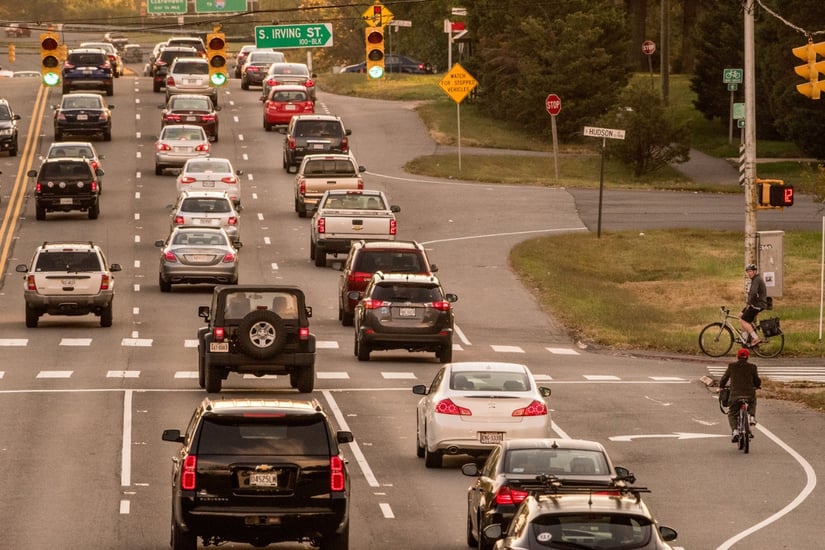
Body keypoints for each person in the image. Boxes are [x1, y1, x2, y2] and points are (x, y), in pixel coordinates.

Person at [719, 348, 761, 442]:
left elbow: (724, 378)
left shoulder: (732, 366)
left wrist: (721, 386)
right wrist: (757, 386)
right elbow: (757, 380)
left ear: (737, 356)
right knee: (753, 400)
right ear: (747, 357)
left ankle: (735, 431)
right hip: (749, 394)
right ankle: (752, 417)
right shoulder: (752, 367)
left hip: (735, 395)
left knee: (732, 413)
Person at [739, 263, 767, 346]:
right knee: (740, 315)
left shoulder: (756, 279)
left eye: (750, 271)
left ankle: (755, 338)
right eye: (747, 271)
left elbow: (753, 293)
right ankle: (745, 338)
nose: (749, 273)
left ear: (755, 271)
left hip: (757, 305)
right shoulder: (755, 279)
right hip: (755, 304)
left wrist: (748, 304)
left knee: (743, 320)